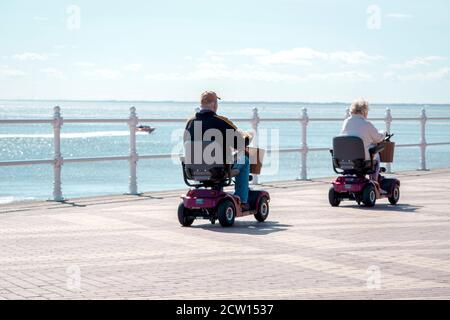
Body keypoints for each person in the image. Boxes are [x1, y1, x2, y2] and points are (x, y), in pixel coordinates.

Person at [184, 91, 252, 210]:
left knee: (216, 161)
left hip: (193, 169)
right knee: (244, 160)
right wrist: (248, 136)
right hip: (218, 170)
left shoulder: (190, 123)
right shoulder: (221, 121)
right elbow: (240, 144)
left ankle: (216, 194)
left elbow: (186, 143)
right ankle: (242, 200)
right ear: (214, 104)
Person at [340, 98, 385, 181]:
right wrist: (383, 133)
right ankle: (375, 181)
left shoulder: (346, 122)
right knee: (377, 155)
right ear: (364, 111)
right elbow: (378, 138)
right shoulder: (366, 124)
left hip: (346, 158)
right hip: (363, 159)